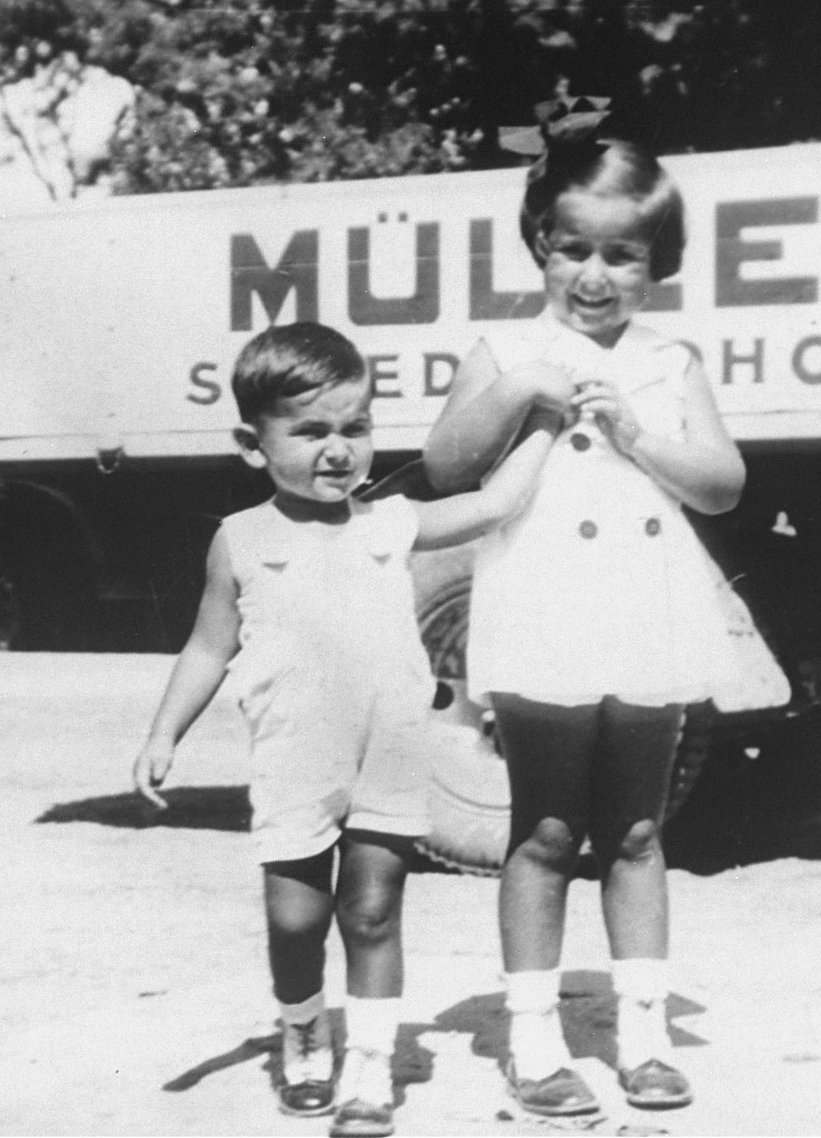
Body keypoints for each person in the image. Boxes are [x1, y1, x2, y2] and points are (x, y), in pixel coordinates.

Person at [134, 321, 557, 1138]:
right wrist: (163, 734)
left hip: (389, 755)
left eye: (355, 428)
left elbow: (496, 503)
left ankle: (367, 1070)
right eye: (311, 431)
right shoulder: (241, 540)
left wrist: (542, 420)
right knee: (296, 920)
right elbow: (206, 646)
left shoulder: (389, 523)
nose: (338, 450)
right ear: (253, 446)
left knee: (371, 911)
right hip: (296, 761)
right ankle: (302, 1030)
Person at [422, 99, 749, 1116]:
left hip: (645, 610)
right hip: (546, 611)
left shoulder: (668, 361)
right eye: (574, 251)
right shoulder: (502, 349)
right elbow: (441, 464)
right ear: (540, 247)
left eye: (622, 255)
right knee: (549, 831)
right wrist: (521, 389)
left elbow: (724, 483)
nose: (597, 277)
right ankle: (532, 1043)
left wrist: (642, 435)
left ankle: (644, 1039)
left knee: (641, 832)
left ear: (657, 260)